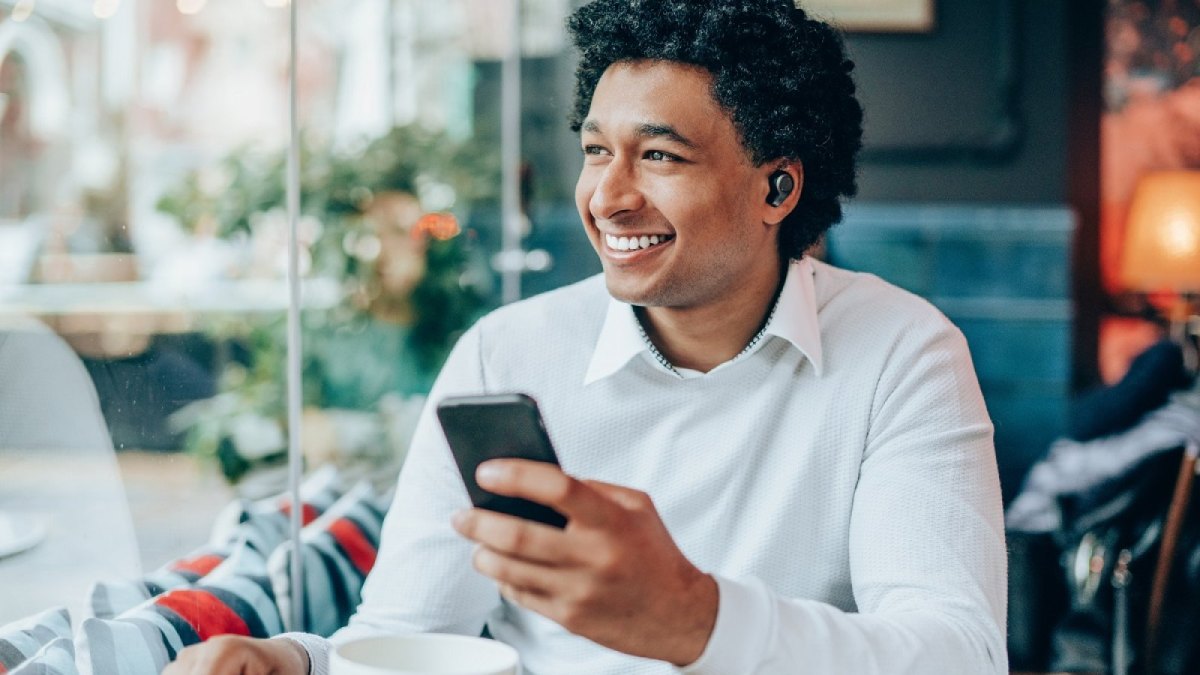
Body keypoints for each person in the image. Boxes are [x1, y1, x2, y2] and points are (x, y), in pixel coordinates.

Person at [166, 0, 1007, 673]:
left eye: (660, 158)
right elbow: (411, 633)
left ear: (778, 185)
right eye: (596, 150)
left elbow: (960, 654)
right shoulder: (508, 354)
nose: (607, 196)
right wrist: (292, 660)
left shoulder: (904, 352)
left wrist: (698, 618)